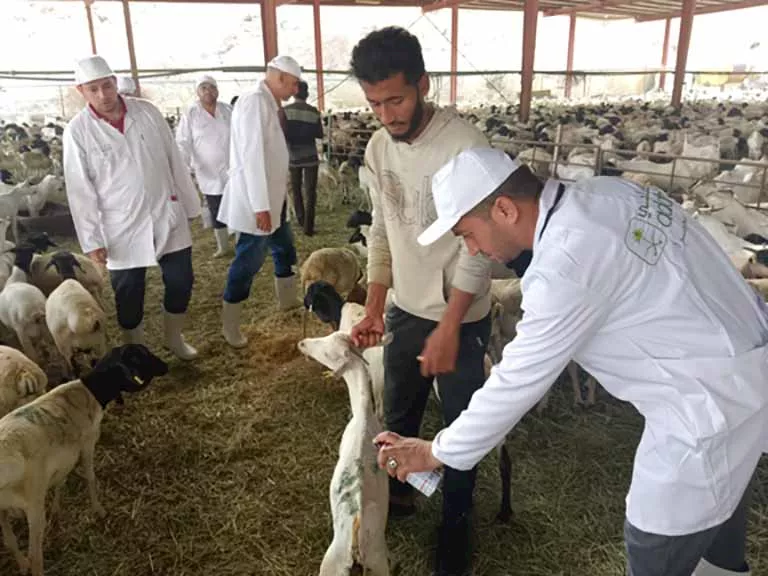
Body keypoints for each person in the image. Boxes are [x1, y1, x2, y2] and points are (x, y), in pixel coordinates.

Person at [374, 147, 768, 576]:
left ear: (504, 209)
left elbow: (518, 380)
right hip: (746, 368)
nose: (473, 249)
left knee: (653, 541)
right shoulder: (608, 194)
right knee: (720, 527)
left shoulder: (566, 263)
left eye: (468, 234)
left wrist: (437, 452)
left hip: (705, 408)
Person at [347, 27, 493, 576]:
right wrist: (374, 305)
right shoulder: (378, 147)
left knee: (460, 424)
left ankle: (456, 522)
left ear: (423, 85)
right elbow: (383, 229)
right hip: (406, 307)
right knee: (400, 408)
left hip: (462, 313)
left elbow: (479, 251)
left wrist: (452, 325)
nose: (386, 115)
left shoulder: (466, 147)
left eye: (396, 100)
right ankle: (403, 493)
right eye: (375, 104)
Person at [63, 55, 201, 360]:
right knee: (128, 291)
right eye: (93, 89)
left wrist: (191, 205)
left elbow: (174, 159)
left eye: (107, 86)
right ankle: (135, 350)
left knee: (181, 280)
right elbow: (79, 189)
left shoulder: (147, 112)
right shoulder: (78, 130)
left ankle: (174, 338)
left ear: (115, 82)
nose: (103, 95)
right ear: (81, 91)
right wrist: (92, 240)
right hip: (120, 225)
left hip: (166, 212)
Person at [217, 55, 303, 348]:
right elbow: (251, 156)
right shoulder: (254, 101)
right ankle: (230, 325)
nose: (295, 90)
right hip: (259, 199)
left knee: (284, 249)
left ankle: (288, 301)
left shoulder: (268, 101)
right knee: (249, 259)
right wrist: (260, 206)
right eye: (293, 84)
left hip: (273, 197)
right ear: (278, 77)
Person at [176, 74, 233, 258]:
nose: (208, 91)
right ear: (198, 92)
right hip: (208, 172)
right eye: (204, 88)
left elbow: (239, 136)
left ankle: (241, 241)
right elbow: (183, 142)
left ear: (217, 90)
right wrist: (183, 167)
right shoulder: (191, 113)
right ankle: (223, 246)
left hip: (232, 168)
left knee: (236, 204)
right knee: (216, 207)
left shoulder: (227, 110)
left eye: (212, 87)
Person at [283, 80, 323, 236]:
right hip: (310, 156)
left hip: (293, 156)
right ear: (307, 93)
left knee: (296, 189)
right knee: (311, 191)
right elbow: (319, 134)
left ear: (294, 92)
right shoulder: (313, 112)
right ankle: (309, 227)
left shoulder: (286, 111)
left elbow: (283, 133)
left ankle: (300, 219)